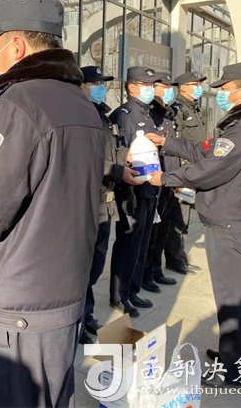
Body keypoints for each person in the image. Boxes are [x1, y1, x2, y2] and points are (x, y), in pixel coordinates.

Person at [0, 0, 106, 407]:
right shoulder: (83, 106)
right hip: (62, 296)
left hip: (16, 308)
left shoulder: (17, 104)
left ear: (16, 45)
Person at [148, 61, 241, 388]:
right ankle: (238, 358)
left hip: (231, 228)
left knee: (232, 300)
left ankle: (233, 371)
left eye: (225, 89)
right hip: (237, 224)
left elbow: (208, 170)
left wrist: (166, 177)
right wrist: (167, 143)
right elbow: (206, 152)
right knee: (240, 296)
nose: (220, 94)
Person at [77, 65, 139, 344]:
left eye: (102, 83)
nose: (100, 88)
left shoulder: (103, 116)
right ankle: (76, 322)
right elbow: (82, 158)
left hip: (105, 202)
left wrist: (127, 156)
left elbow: (112, 151)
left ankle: (86, 314)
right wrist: (116, 170)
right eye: (94, 84)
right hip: (86, 203)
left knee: (94, 266)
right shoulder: (79, 117)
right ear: (81, 86)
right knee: (81, 267)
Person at [108, 67, 163, 318]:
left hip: (151, 188)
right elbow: (117, 152)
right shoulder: (123, 115)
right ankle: (119, 295)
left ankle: (133, 289)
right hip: (132, 191)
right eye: (145, 84)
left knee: (142, 243)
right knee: (128, 244)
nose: (150, 89)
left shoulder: (148, 113)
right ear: (132, 87)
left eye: (152, 85)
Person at [166, 71, 209, 275]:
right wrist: (180, 174)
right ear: (182, 87)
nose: (198, 87)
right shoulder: (178, 109)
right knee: (179, 218)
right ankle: (175, 259)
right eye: (194, 84)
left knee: (185, 217)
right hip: (184, 170)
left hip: (195, 169)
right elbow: (175, 143)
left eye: (199, 84)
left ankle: (179, 256)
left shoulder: (194, 108)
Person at [142, 72, 180, 294]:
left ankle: (156, 270)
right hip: (155, 179)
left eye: (169, 87)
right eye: (163, 86)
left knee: (163, 229)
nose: (168, 90)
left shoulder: (168, 114)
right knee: (152, 232)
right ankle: (147, 273)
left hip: (169, 179)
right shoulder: (151, 115)